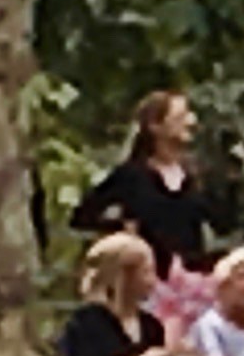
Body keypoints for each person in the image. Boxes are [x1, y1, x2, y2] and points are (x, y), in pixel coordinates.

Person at [69, 90, 220, 275]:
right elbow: (83, 216)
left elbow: (221, 222)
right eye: (180, 117)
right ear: (155, 126)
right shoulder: (131, 176)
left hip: (191, 283)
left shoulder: (196, 176)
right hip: (146, 283)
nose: (190, 122)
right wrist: (121, 230)